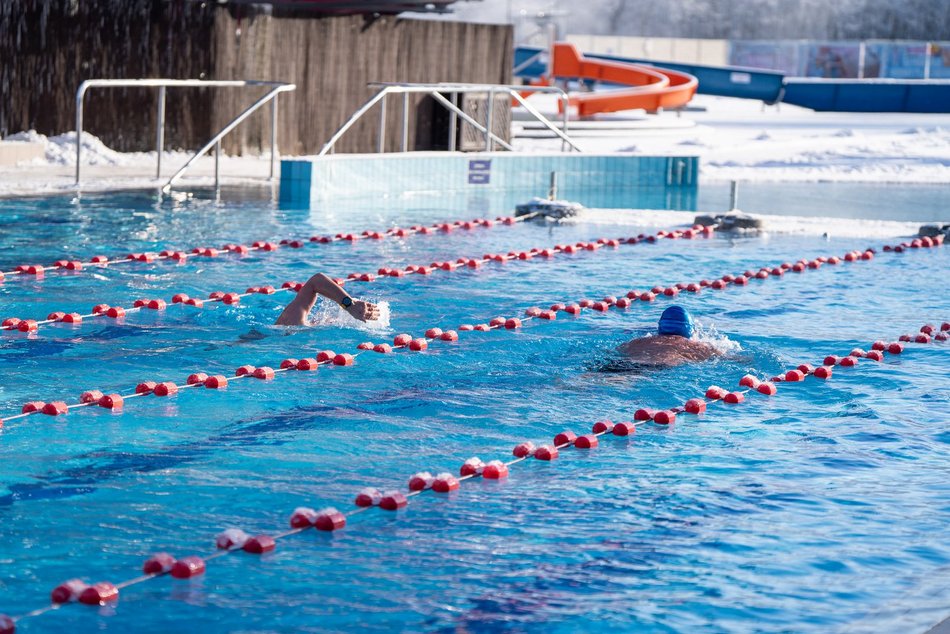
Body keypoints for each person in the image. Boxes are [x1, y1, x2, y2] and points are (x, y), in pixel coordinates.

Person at [618, 305, 719, 367]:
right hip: (658, 366)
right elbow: (726, 358)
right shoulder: (698, 347)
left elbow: (618, 350)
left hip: (623, 363)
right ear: (689, 329)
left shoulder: (636, 342)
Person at [275, 272, 379, 326]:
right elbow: (316, 281)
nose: (331, 321)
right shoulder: (292, 323)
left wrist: (349, 305)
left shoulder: (293, 322)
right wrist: (349, 305)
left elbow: (316, 280)